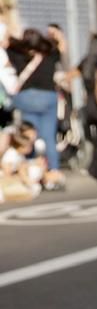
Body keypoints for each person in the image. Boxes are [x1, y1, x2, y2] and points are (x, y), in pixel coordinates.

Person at [3, 27, 64, 190]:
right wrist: (56, 35)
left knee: (28, 136)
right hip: (48, 97)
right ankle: (54, 172)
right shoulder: (50, 53)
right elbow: (61, 47)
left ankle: (30, 171)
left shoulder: (17, 54)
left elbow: (6, 42)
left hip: (26, 98)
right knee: (49, 138)